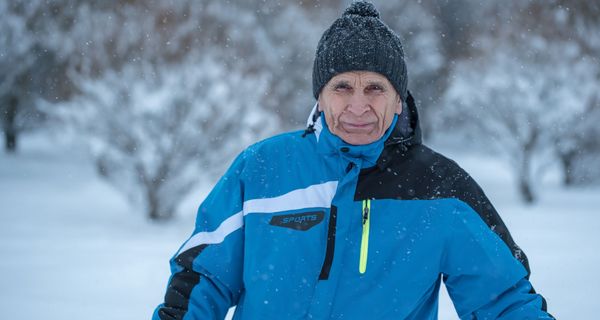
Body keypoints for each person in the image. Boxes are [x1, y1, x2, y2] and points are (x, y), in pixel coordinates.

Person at [153, 2, 553, 319]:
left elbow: (503, 301)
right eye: (342, 86)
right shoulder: (261, 169)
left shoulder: (441, 189)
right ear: (320, 97)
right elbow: (201, 279)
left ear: (398, 100)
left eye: (375, 88)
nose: (358, 106)